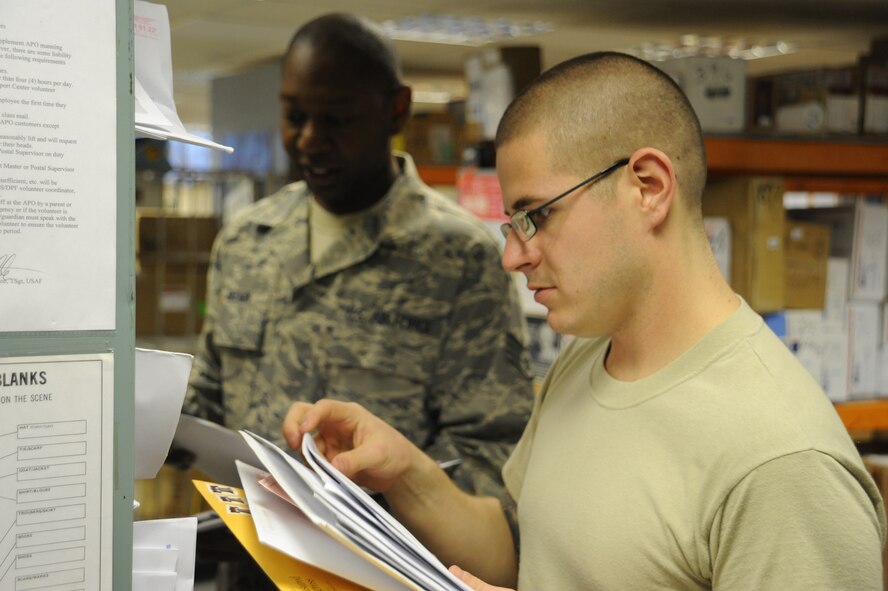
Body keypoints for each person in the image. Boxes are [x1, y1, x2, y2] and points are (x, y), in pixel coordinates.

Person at [283, 51, 887, 590]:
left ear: (647, 187)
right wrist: (407, 475)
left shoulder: (783, 463)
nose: (512, 256)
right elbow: (524, 552)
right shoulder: (586, 354)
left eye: (536, 217)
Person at [184, 12, 533, 498]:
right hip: (247, 559)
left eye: (336, 119)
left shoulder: (459, 258)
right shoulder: (247, 239)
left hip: (383, 566)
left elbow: (492, 452)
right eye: (294, 116)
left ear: (395, 110)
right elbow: (208, 398)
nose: (308, 140)